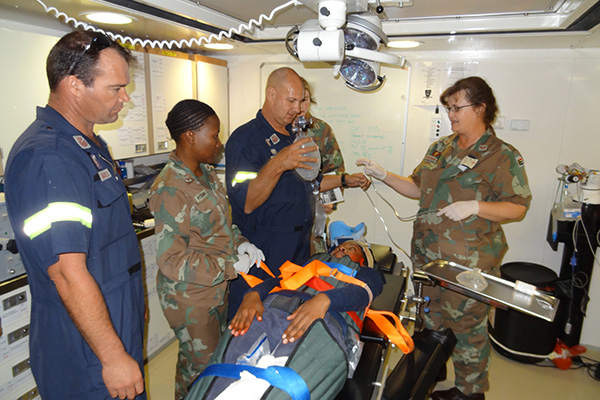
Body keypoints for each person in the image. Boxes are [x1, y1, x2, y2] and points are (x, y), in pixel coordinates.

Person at [357, 76, 532, 400]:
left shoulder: (501, 155)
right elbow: (416, 187)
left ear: (480, 108)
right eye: (448, 108)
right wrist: (384, 175)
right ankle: (431, 370)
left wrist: (476, 206)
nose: (450, 114)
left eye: (456, 108)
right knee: (429, 319)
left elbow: (517, 207)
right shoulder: (441, 148)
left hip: (468, 263)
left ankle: (470, 392)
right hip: (428, 258)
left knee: (466, 328)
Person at [5, 31, 145, 399]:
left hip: (114, 323)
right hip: (85, 350)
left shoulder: (89, 146)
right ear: (74, 86)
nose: (125, 98)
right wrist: (113, 356)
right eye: (116, 88)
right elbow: (66, 273)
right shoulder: (49, 158)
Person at [148, 99, 264, 400]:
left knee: (196, 364)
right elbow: (171, 259)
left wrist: (241, 242)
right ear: (190, 136)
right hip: (189, 298)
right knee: (205, 371)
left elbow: (221, 226)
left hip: (214, 288)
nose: (219, 143)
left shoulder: (206, 174)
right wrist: (230, 266)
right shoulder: (171, 188)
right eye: (214, 135)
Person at [298, 77, 370, 254]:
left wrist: (327, 202)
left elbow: (335, 172)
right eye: (294, 101)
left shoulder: (321, 130)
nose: (300, 107)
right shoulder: (276, 130)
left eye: (304, 100)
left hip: (312, 224)